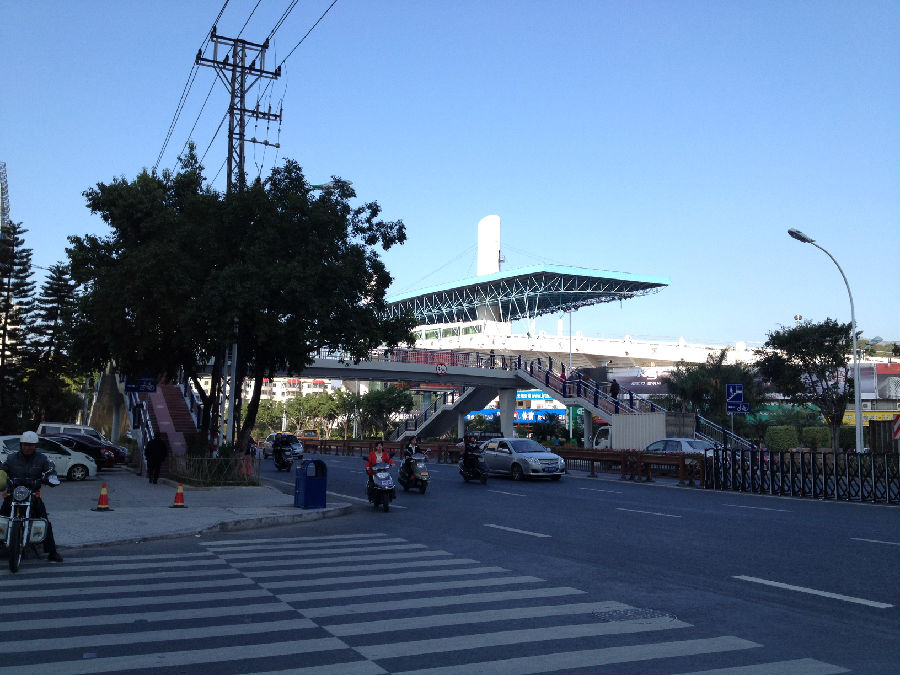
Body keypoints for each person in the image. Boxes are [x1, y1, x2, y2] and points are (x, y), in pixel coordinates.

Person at [0, 431, 63, 563]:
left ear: (35, 446)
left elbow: (50, 469)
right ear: (21, 445)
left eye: (31, 445)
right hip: (14, 494)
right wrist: (2, 475)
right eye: (25, 444)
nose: (27, 447)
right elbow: (4, 469)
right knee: (2, 517)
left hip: (33, 494)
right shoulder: (11, 458)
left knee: (44, 520)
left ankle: (52, 552)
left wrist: (51, 477)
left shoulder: (42, 459)